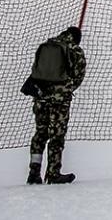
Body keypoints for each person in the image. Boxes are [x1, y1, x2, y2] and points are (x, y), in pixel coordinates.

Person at [25, 26, 87, 185]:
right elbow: (78, 76)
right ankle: (53, 173)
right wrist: (66, 89)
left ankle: (34, 172)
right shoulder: (75, 50)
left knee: (40, 133)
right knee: (56, 135)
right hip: (60, 100)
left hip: (40, 97)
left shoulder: (47, 45)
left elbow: (36, 70)